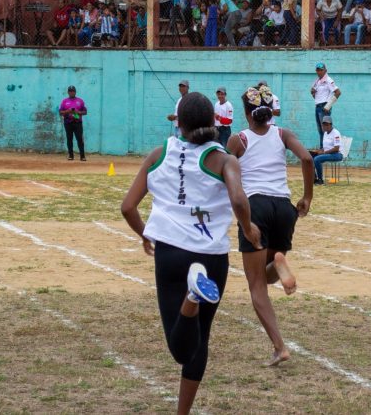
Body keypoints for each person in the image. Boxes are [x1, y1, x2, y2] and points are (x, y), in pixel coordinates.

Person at [120, 92, 261, 415]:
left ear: (178, 123)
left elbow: (127, 207)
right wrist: (249, 228)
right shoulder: (225, 159)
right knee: (200, 338)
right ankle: (182, 412)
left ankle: (191, 298)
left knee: (180, 347)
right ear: (214, 121)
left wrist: (145, 234)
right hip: (211, 257)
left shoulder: (158, 154)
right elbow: (239, 200)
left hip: (170, 254)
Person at [225, 85, 313, 366]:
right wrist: (307, 197)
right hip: (284, 208)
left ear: (246, 113)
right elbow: (307, 158)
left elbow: (223, 174)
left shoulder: (238, 140)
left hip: (257, 208)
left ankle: (279, 347)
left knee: (256, 286)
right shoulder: (282, 134)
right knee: (265, 276)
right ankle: (278, 263)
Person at [310, 62, 340, 148]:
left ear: (325, 70)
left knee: (325, 130)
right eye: (318, 70)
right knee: (320, 131)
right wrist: (312, 93)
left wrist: (328, 106)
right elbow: (317, 97)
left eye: (321, 70)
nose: (319, 72)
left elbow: (338, 92)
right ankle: (322, 148)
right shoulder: (317, 81)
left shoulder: (328, 80)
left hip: (324, 107)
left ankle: (326, 149)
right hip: (318, 106)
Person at [308, 115, 342, 184]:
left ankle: (320, 180)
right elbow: (325, 147)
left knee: (317, 159)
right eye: (323, 124)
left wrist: (324, 153)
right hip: (328, 154)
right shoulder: (325, 134)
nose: (325, 126)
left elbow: (336, 148)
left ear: (331, 124)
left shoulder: (336, 133)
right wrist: (317, 151)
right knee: (310, 157)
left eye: (327, 124)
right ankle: (314, 178)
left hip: (337, 154)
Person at [58, 85, 87, 161]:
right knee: (69, 139)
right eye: (70, 91)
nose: (71, 92)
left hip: (78, 123)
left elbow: (85, 112)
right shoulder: (64, 101)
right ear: (68, 92)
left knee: (79, 139)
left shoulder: (80, 101)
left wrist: (78, 112)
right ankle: (71, 155)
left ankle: (82, 156)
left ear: (75, 92)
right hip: (68, 123)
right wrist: (68, 111)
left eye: (73, 91)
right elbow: (60, 112)